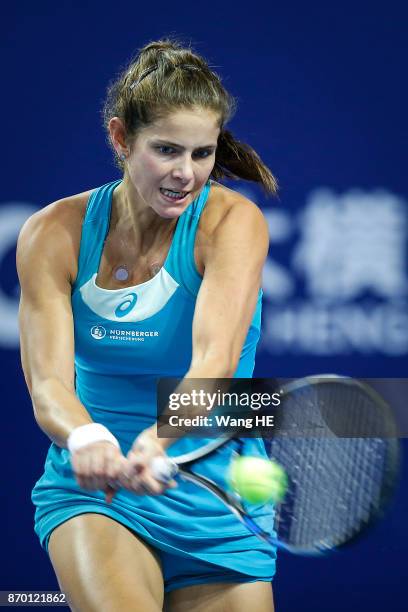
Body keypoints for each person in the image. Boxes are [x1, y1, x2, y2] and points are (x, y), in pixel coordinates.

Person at [17, 38, 278, 612]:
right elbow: (49, 385)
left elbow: (215, 364)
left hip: (217, 491)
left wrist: (159, 442)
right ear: (120, 138)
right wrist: (87, 438)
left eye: (203, 153)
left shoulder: (233, 223)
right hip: (99, 489)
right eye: (166, 150)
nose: (187, 174)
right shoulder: (52, 233)